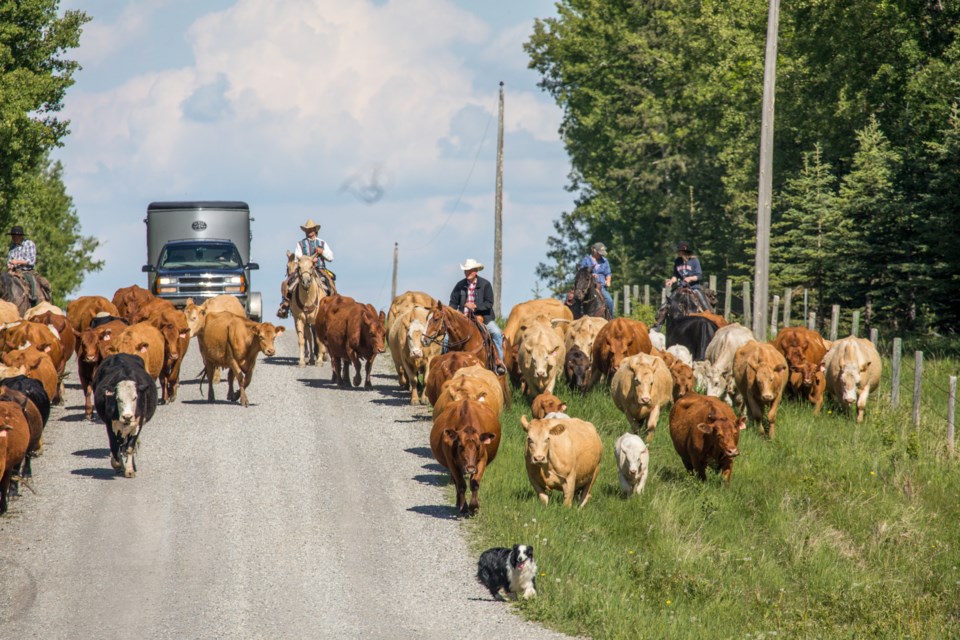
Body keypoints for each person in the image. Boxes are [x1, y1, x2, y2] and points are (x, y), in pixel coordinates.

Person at [448, 258, 505, 370]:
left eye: (469, 270)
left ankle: (499, 362)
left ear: (475, 271)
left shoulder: (485, 284)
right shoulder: (459, 286)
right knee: (446, 339)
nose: (467, 273)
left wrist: (475, 307)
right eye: (465, 270)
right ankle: (444, 362)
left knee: (497, 333)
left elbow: (489, 303)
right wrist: (453, 316)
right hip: (462, 320)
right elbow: (453, 303)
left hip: (483, 318)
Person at [277, 218, 335, 318]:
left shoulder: (322, 243)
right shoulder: (300, 244)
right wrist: (308, 261)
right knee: (288, 283)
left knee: (329, 283)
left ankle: (334, 306)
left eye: (311, 229)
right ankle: (285, 305)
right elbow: (297, 258)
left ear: (315, 230)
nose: (309, 231)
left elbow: (331, 257)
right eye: (307, 229)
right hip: (304, 269)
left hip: (320, 268)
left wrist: (322, 252)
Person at [664, 240, 709, 309]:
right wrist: (671, 281)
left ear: (683, 252)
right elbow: (676, 276)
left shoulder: (694, 261)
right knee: (667, 305)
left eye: (679, 251)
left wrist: (690, 278)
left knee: (705, 306)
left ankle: (710, 315)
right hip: (680, 288)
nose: (677, 252)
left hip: (694, 288)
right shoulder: (677, 261)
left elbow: (699, 276)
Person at [578, 242, 614, 317]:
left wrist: (608, 281)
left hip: (601, 287)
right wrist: (590, 274)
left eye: (602, 253)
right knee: (575, 299)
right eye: (599, 253)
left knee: (610, 301)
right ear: (594, 250)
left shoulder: (605, 261)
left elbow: (608, 274)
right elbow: (581, 272)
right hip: (588, 286)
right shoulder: (586, 260)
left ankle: (611, 318)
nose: (601, 255)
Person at [7, 225, 40, 302]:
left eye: (14, 236)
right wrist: (10, 266)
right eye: (12, 236)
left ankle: (34, 298)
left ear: (20, 236)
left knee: (32, 281)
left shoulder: (29, 244)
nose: (13, 238)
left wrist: (17, 262)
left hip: (26, 271)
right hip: (14, 272)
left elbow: (32, 261)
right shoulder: (12, 247)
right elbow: (9, 261)